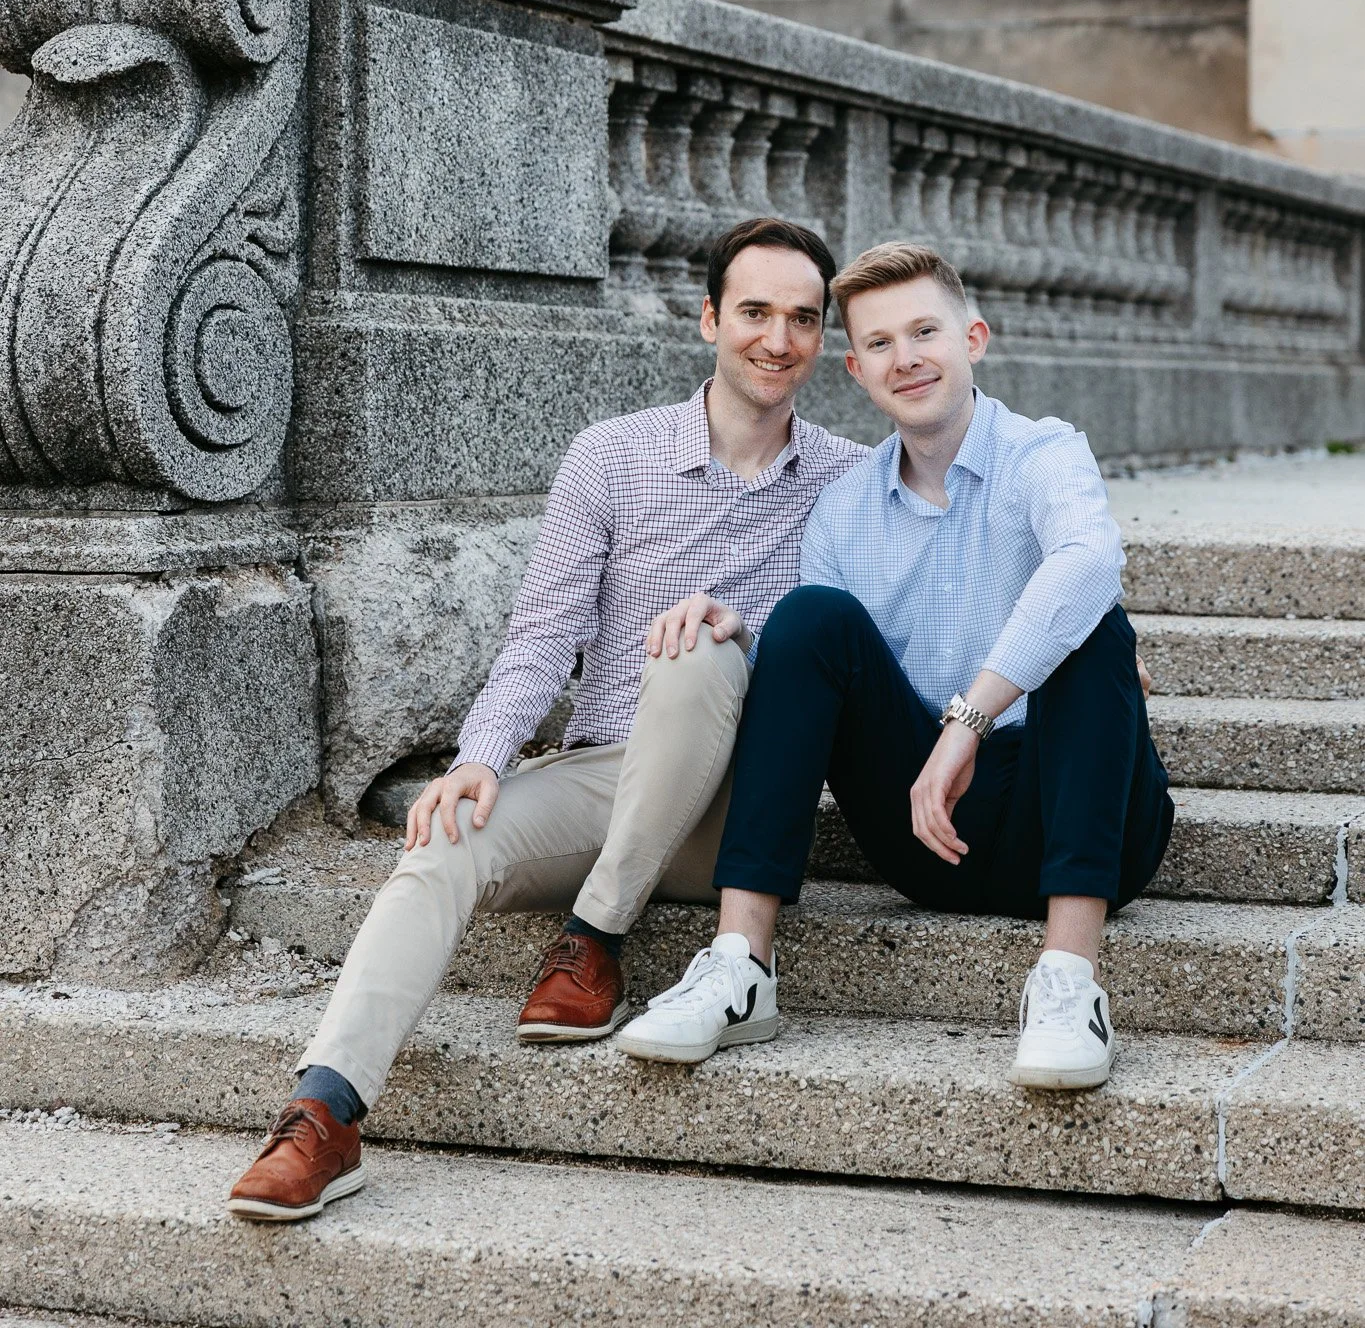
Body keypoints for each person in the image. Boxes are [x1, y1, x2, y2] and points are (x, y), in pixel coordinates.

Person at [227, 216, 868, 1222]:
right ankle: (324, 1112)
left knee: (702, 642)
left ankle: (595, 933)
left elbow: (903, 614)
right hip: (606, 775)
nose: (776, 338)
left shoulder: (849, 476)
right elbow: (543, 633)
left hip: (743, 811)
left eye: (801, 317)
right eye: (754, 310)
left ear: (821, 337)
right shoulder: (612, 455)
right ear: (709, 317)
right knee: (446, 840)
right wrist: (480, 756)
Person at [618, 240, 1172, 1092]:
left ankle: (1069, 981)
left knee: (1091, 619)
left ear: (972, 339)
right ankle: (740, 964)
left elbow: (1089, 562)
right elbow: (821, 684)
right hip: (930, 831)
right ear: (855, 367)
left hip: (1088, 815)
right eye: (879, 343)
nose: (905, 358)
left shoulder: (1044, 452)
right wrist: (750, 632)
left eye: (924, 333)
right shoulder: (841, 510)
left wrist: (969, 719)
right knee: (808, 618)